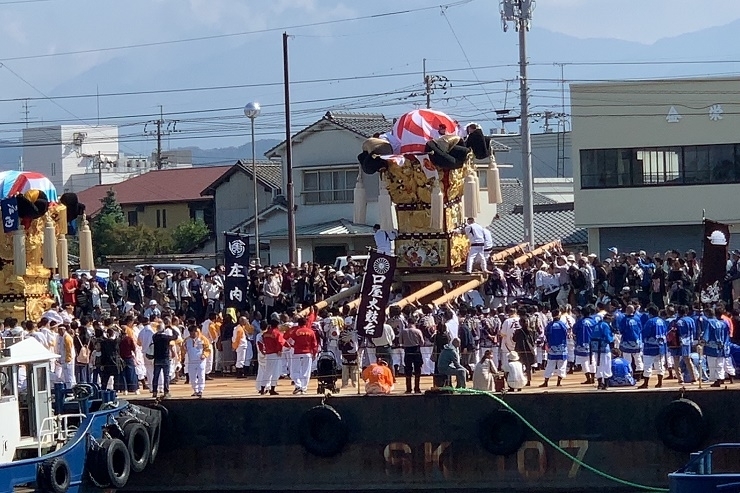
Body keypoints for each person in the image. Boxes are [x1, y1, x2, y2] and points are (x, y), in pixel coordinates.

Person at [638, 305, 667, 389]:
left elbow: (645, 333)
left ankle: (646, 383)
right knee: (660, 365)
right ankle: (660, 383)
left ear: (650, 313)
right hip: (661, 347)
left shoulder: (650, 321)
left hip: (650, 347)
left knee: (647, 365)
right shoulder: (662, 321)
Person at [288, 315, 318, 394]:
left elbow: (290, 342)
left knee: (295, 371)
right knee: (306, 372)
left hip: (297, 353)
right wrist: (314, 353)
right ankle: (304, 388)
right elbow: (314, 344)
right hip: (307, 353)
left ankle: (298, 386)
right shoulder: (311, 332)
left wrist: (295, 346)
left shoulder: (296, 332)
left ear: (298, 323)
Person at [540, 308, 568, 388]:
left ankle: (546, 382)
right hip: (562, 348)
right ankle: (558, 382)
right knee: (562, 366)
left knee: (550, 365)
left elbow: (546, 334)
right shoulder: (562, 325)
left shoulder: (549, 325)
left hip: (552, 348)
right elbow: (567, 334)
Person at [259, 319, 286, 395]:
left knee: (267, 372)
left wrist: (263, 350)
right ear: (277, 325)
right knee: (275, 372)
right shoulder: (277, 333)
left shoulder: (265, 333)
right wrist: (279, 350)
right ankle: (272, 389)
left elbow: (261, 341)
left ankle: (262, 388)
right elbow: (280, 343)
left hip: (268, 354)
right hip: (275, 354)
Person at [183, 325, 211, 397]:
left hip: (200, 361)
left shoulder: (203, 339)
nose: (192, 335)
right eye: (190, 333)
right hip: (191, 361)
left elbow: (207, 348)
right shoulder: (186, 340)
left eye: (193, 333)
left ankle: (200, 390)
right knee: (192, 377)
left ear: (196, 332)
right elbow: (183, 349)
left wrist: (204, 355)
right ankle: (195, 390)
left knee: (201, 375)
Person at [151, 322, 177, 399]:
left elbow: (156, 334)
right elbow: (176, 336)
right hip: (165, 358)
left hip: (157, 358)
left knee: (155, 376)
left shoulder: (154, 337)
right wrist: (171, 328)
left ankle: (154, 392)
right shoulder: (165, 337)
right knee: (166, 376)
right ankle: (166, 391)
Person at [399, 318, 424, 394]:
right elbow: (422, 342)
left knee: (408, 370)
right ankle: (417, 388)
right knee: (417, 370)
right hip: (416, 350)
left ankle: (408, 389)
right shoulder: (418, 331)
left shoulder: (403, 331)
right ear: (414, 322)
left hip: (407, 351)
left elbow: (400, 342)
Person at [59, 325, 76, 389]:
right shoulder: (63, 337)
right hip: (65, 360)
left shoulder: (67, 337)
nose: (59, 332)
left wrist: (68, 359)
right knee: (66, 376)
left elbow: (69, 349)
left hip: (68, 360)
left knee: (69, 376)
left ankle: (70, 390)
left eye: (60, 330)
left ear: (63, 330)